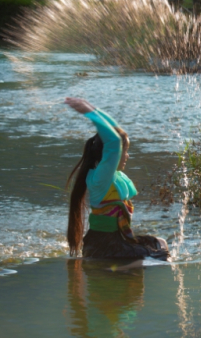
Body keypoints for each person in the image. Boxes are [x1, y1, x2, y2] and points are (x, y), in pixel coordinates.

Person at [65, 97, 169, 260]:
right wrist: (89, 112)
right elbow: (113, 141)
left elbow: (116, 132)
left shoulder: (112, 176)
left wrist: (95, 108)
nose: (127, 155)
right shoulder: (102, 177)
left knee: (159, 243)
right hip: (103, 247)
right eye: (124, 151)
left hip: (115, 242)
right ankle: (113, 270)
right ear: (112, 154)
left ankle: (120, 269)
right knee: (159, 256)